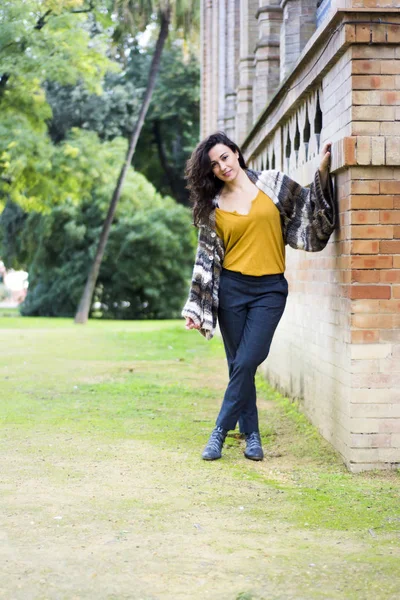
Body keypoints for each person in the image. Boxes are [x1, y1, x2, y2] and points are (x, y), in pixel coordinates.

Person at [182, 132, 335, 462]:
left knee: (249, 358)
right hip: (232, 291)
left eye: (225, 157)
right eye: (214, 165)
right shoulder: (213, 208)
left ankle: (218, 432)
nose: (222, 166)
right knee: (239, 365)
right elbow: (205, 261)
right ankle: (252, 437)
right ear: (209, 172)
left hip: (270, 289)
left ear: (236, 153)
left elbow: (308, 206)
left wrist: (323, 168)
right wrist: (196, 307)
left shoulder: (272, 183)